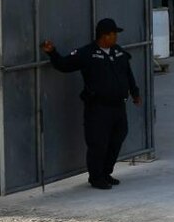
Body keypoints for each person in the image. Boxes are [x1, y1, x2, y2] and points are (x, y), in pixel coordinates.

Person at [41, 18, 142, 190]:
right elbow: (64, 65)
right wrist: (52, 53)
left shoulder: (117, 52)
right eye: (113, 34)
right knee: (98, 143)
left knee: (117, 138)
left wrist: (135, 92)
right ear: (105, 36)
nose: (116, 37)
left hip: (118, 105)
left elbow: (127, 73)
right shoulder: (87, 53)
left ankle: (106, 172)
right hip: (98, 108)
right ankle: (96, 177)